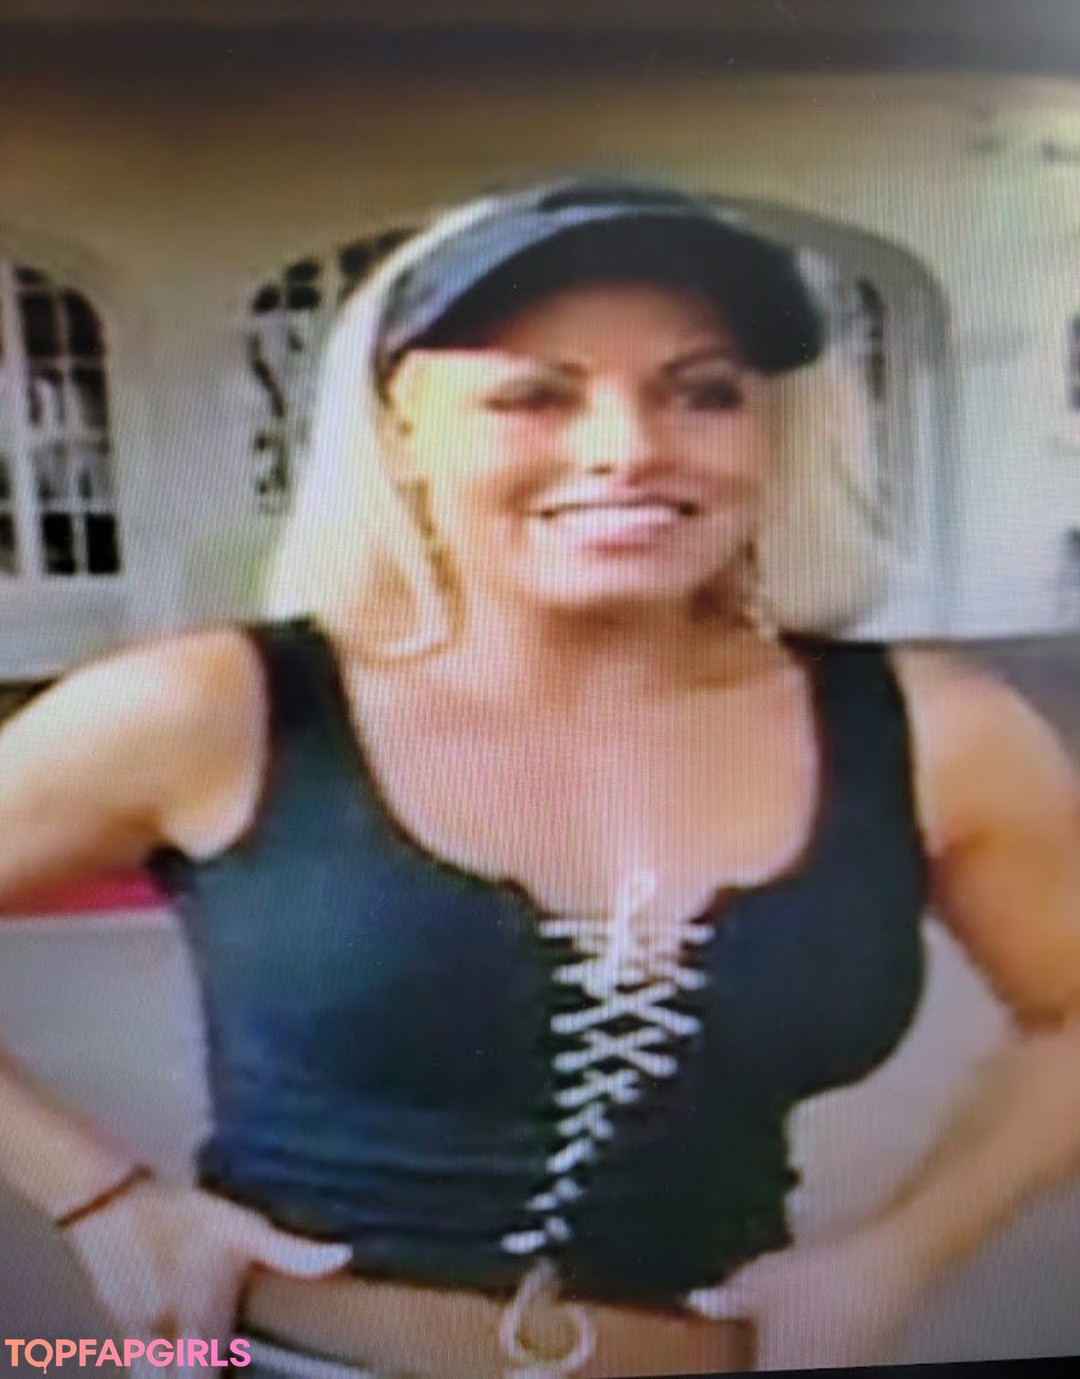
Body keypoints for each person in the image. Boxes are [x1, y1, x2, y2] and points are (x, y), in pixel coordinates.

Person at [0, 177, 1078, 1379]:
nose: (628, 447)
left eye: (704, 392)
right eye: (532, 395)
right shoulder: (218, 709)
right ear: (402, 435)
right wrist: (100, 1195)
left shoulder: (932, 733)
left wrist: (901, 1253)